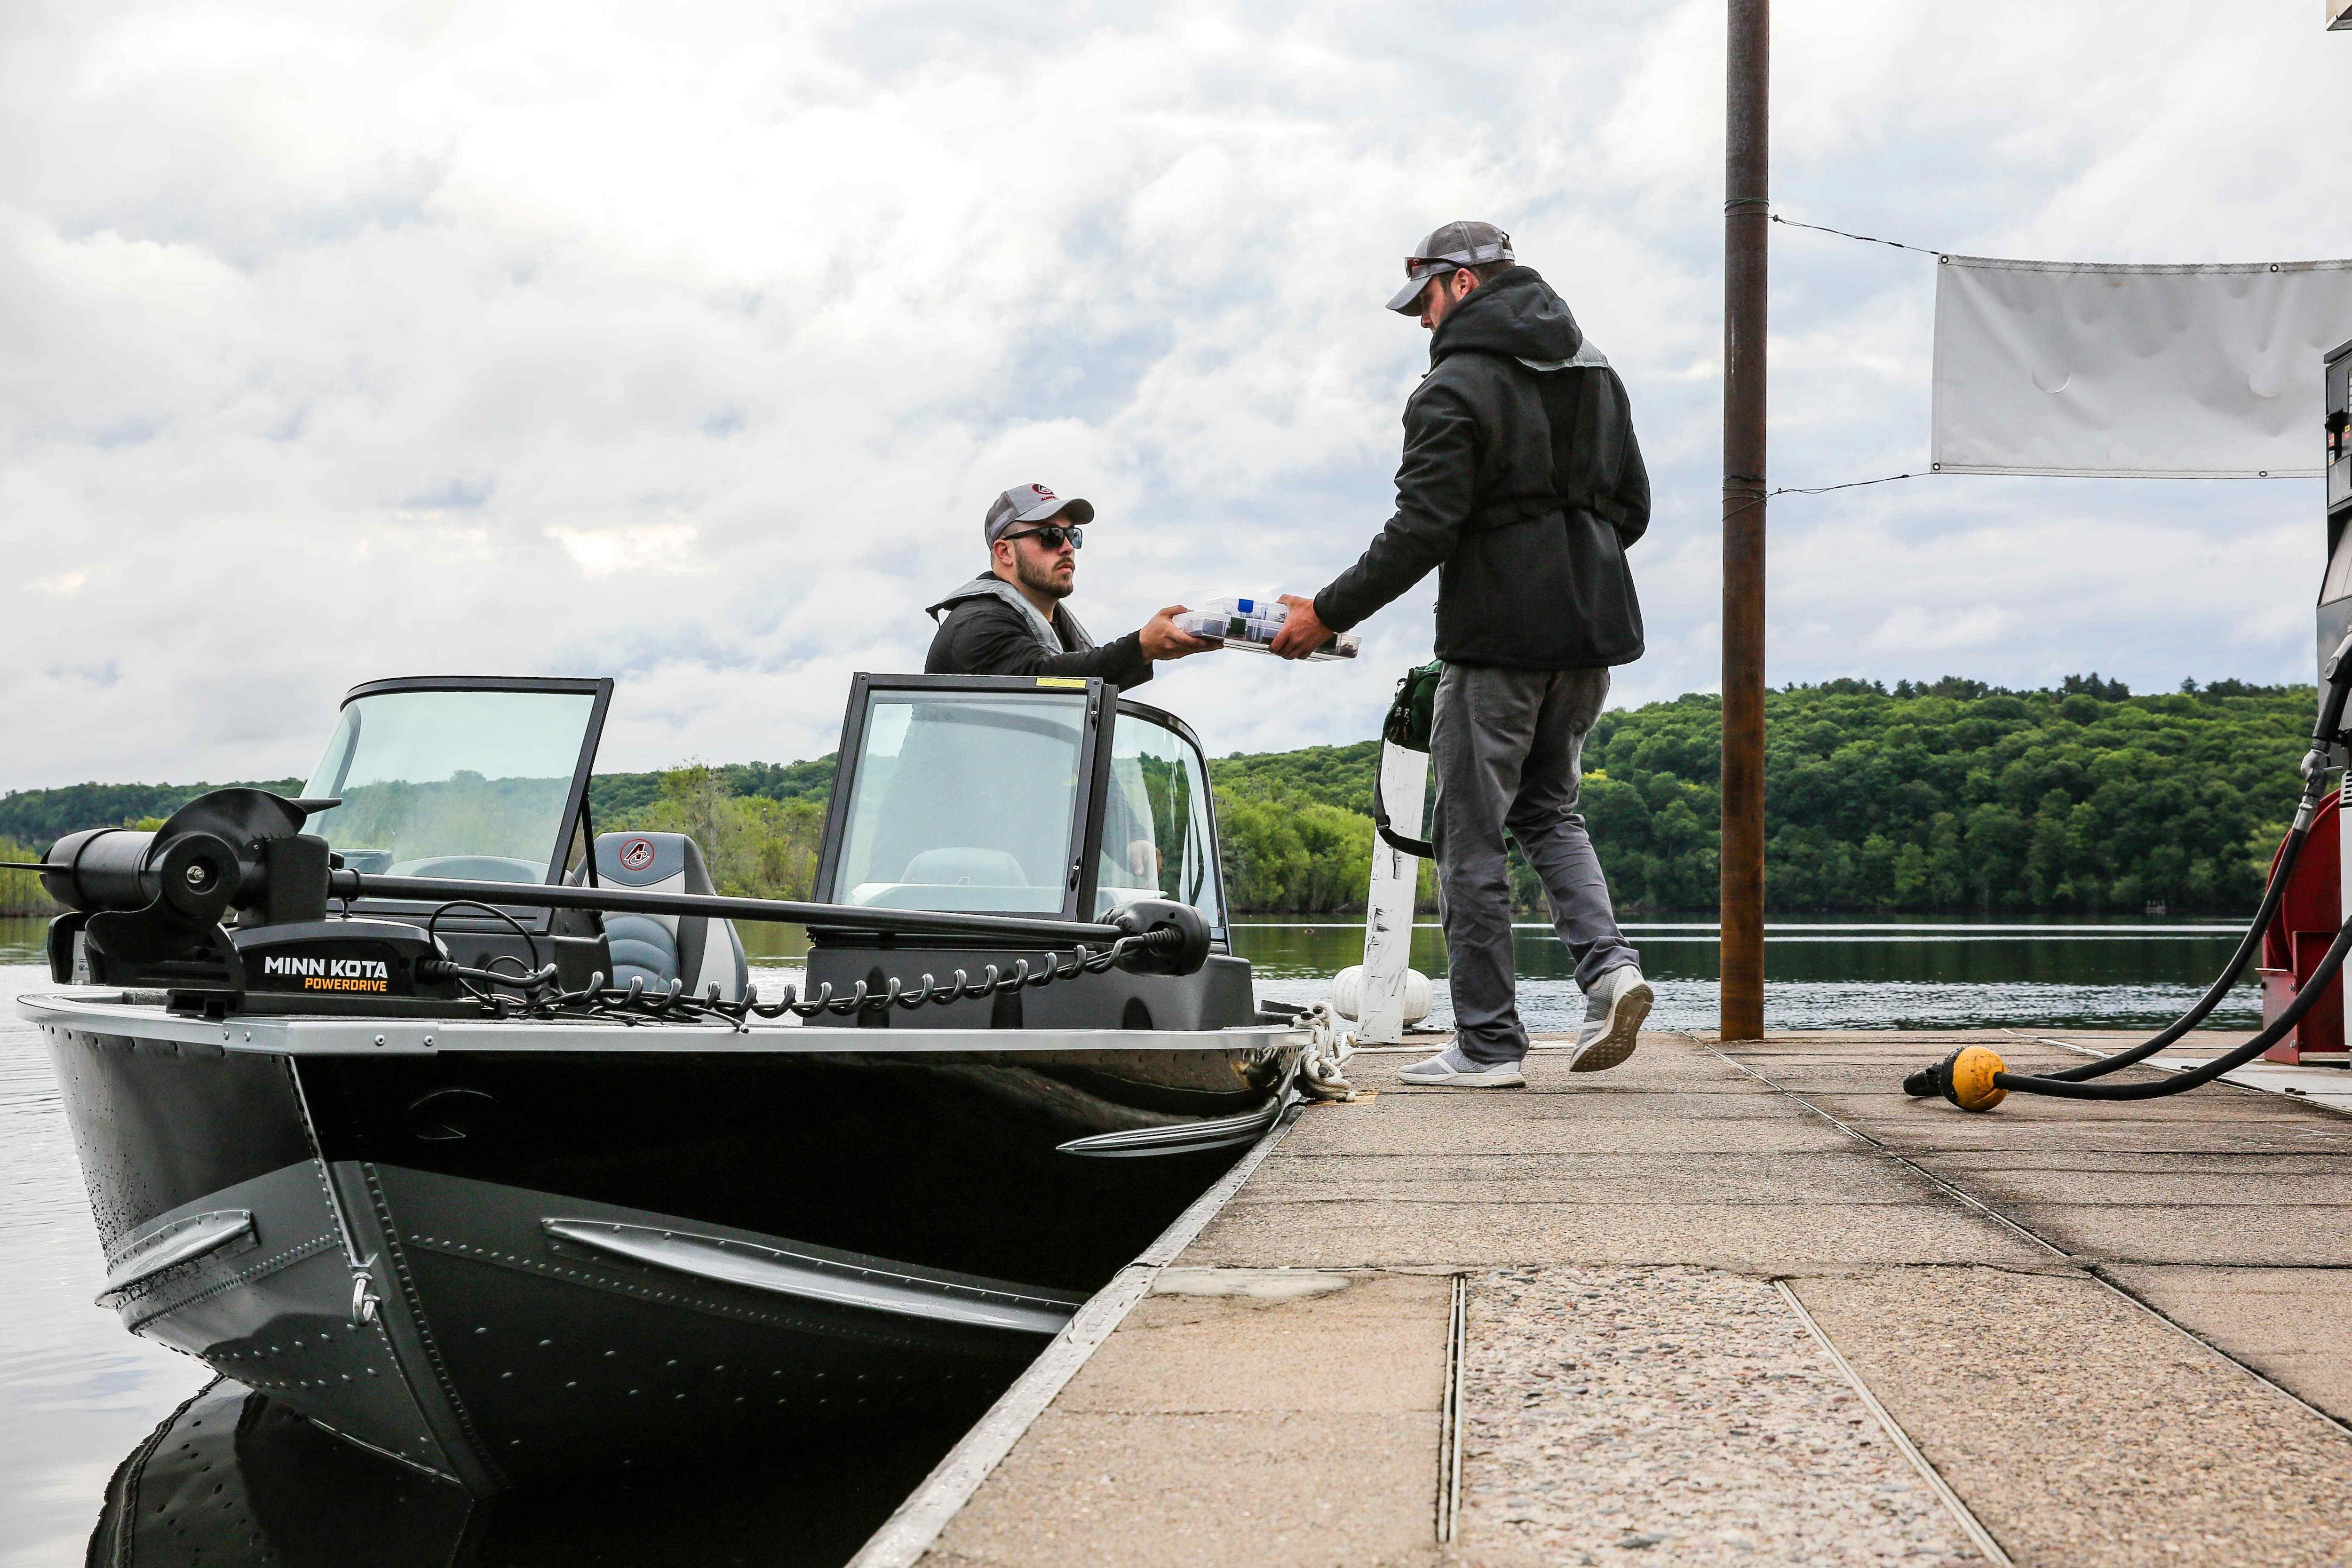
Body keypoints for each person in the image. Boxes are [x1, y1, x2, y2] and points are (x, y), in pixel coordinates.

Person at [1271, 221, 1654, 1088]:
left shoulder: (1452, 388)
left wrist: (1326, 613)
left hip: (1497, 641)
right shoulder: (1599, 370)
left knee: (1470, 834)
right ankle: (1610, 970)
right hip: (1590, 633)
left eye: (1425, 300)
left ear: (1465, 285)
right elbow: (1630, 508)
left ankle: (1487, 1044)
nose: (1419, 321)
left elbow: (1422, 527)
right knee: (1550, 808)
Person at [925, 483, 1211, 685]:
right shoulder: (977, 623)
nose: (1067, 547)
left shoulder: (1058, 628)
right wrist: (1143, 647)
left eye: (1071, 535)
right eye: (1050, 535)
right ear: (1005, 553)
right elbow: (1040, 679)